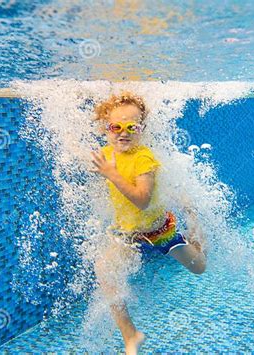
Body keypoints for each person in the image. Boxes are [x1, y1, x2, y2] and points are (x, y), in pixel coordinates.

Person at [90, 91, 207, 355]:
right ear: (105, 128)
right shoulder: (107, 154)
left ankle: (196, 229)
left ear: (141, 129)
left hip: (160, 233)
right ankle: (130, 335)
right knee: (104, 272)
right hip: (128, 236)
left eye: (133, 127)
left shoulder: (144, 159)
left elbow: (142, 200)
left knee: (200, 267)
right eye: (116, 127)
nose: (124, 132)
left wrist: (112, 174)